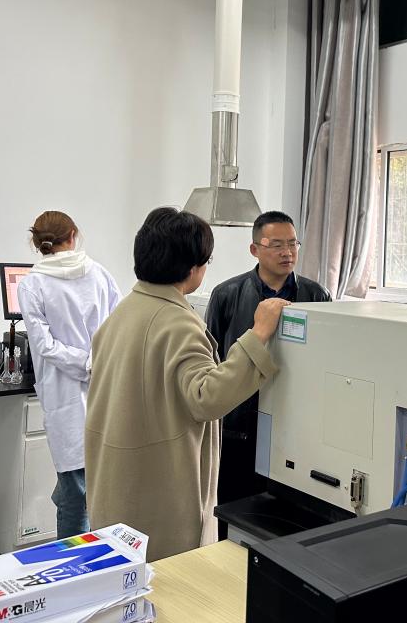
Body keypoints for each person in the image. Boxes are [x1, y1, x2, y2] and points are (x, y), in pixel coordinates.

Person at [85, 207, 290, 561]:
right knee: (170, 580)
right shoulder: (177, 322)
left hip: (115, 481)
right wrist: (258, 334)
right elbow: (208, 397)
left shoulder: (122, 312)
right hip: (158, 493)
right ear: (192, 268)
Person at [205, 211, 331, 509]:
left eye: (292, 243)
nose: (287, 252)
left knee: (287, 509)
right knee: (233, 507)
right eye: (276, 245)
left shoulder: (317, 295)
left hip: (296, 420)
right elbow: (213, 360)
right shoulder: (227, 294)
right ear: (255, 249)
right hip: (239, 425)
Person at [17, 210, 120, 540]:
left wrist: (83, 364)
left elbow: (44, 345)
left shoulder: (32, 285)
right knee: (91, 481)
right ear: (73, 235)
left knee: (76, 488)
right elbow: (119, 329)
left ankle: (73, 561)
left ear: (37, 244)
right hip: (104, 386)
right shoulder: (101, 275)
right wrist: (94, 363)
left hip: (64, 392)